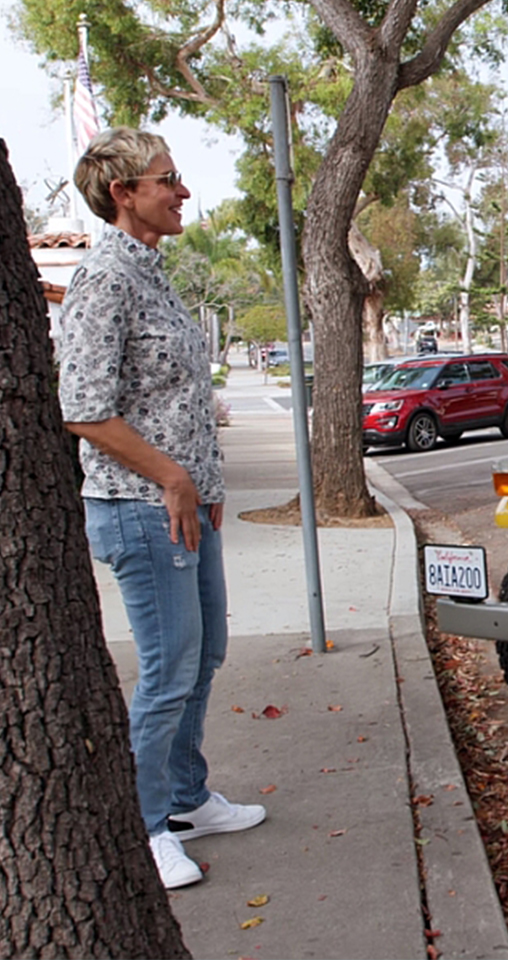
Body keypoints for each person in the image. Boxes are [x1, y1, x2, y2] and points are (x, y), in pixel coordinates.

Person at [60, 127, 266, 889]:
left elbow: (171, 398)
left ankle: (186, 797)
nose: (182, 191)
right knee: (169, 669)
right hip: (142, 510)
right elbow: (83, 408)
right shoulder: (105, 277)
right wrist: (176, 481)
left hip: (188, 508)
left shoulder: (152, 272)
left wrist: (204, 486)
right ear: (124, 194)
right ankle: (145, 828)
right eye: (166, 178)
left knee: (204, 655)